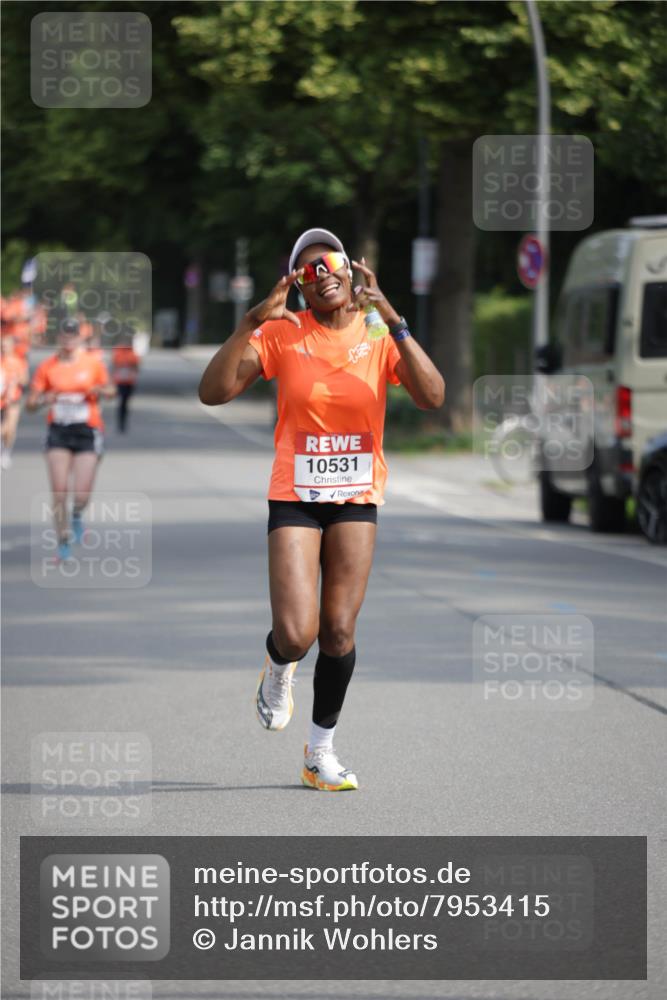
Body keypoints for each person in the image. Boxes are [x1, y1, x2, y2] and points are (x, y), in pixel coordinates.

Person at [199, 228, 444, 791]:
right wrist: (248, 324)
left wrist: (397, 321)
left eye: (329, 260)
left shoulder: (381, 334)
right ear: (300, 288)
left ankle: (319, 754)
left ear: (350, 270)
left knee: (337, 631)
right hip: (295, 494)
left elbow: (432, 396)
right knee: (297, 632)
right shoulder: (284, 335)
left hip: (356, 497)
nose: (322, 273)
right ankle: (278, 665)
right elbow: (213, 393)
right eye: (307, 271)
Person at [26, 318, 116, 561]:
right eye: (65, 335)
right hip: (59, 431)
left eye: (73, 335)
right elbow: (30, 404)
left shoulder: (93, 364)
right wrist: (45, 399)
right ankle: (63, 540)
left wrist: (98, 391)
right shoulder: (47, 367)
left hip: (87, 430)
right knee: (59, 491)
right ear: (59, 338)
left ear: (80, 338)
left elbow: (111, 391)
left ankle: (77, 513)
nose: (69, 339)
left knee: (81, 494)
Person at [0, 333, 29, 469]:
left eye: (6, 345)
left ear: (12, 346)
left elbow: (25, 380)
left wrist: (16, 380)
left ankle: (6, 453)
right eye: (2, 346)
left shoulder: (18, 361)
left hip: (13, 399)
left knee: (10, 428)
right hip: (1, 399)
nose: (4, 348)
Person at [111, 328, 141, 433]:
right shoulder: (118, 351)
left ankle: (123, 422)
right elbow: (114, 365)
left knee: (125, 403)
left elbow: (137, 367)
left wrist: (132, 368)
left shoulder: (133, 353)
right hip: (120, 381)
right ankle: (120, 422)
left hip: (129, 381)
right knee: (121, 402)